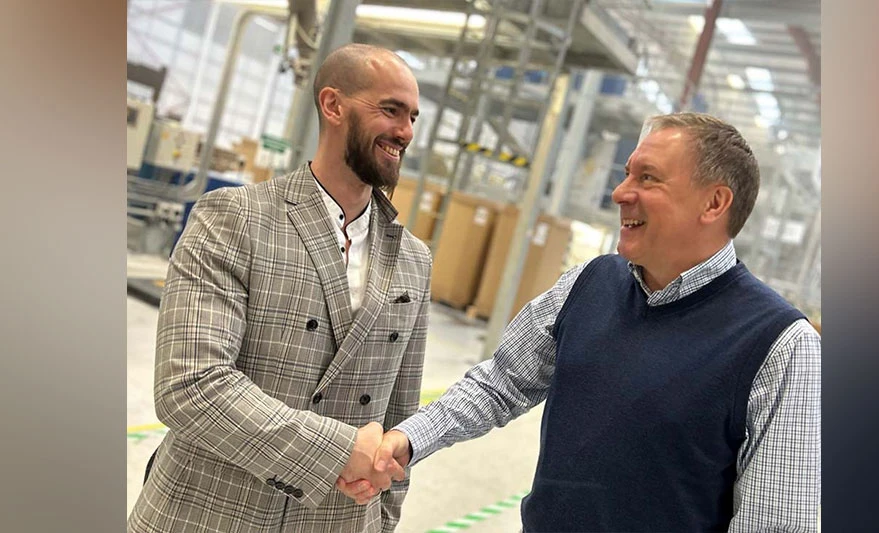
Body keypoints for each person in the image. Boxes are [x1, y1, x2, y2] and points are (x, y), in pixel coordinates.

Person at [339, 112, 821, 532]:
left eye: (648, 179)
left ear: (714, 204)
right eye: (627, 174)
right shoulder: (590, 283)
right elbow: (501, 382)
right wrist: (407, 440)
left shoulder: (779, 345)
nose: (619, 193)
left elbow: (778, 523)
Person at [128, 43, 429, 533]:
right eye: (390, 110)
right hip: (208, 514)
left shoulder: (415, 261)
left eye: (413, 116)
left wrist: (381, 522)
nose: (406, 131)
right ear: (333, 106)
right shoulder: (234, 218)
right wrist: (336, 451)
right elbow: (190, 385)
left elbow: (400, 418)